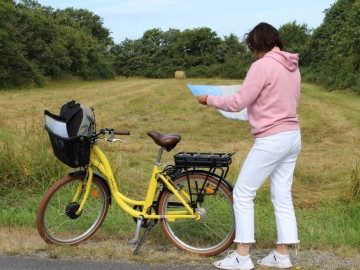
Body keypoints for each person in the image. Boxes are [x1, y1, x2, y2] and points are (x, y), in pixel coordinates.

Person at [197, 22, 301, 270]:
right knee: (282, 196)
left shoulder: (261, 65)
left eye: (253, 47)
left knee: (243, 192)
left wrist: (209, 99)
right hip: (292, 136)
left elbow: (238, 102)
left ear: (257, 45)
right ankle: (282, 254)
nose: (253, 52)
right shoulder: (292, 67)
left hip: (271, 138)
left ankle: (242, 256)